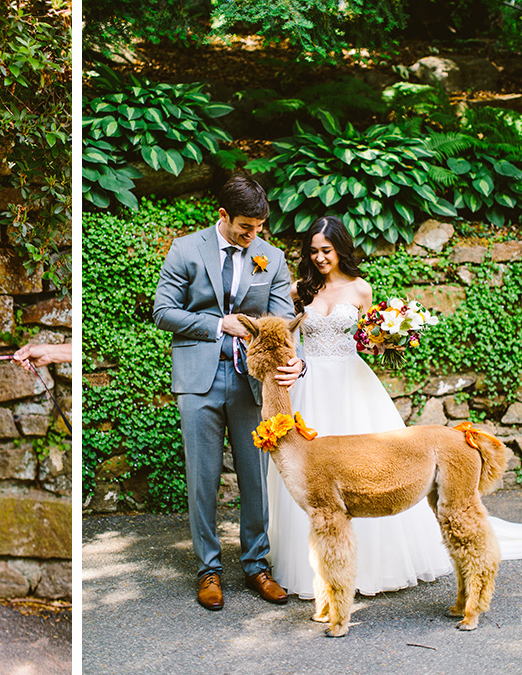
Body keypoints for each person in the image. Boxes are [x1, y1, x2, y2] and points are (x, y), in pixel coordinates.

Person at [268, 215, 522, 600]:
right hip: (310, 382)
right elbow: (291, 341)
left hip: (352, 384)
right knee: (316, 481)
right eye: (314, 251)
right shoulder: (298, 291)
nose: (320, 258)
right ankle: (317, 573)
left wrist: (389, 340)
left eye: (327, 250)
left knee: (369, 474)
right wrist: (298, 364)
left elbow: (366, 339)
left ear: (340, 250)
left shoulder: (360, 289)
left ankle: (373, 567)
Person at [153, 175, 304, 611]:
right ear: (223, 215)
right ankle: (209, 571)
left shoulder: (271, 259)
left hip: (251, 382)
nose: (252, 236)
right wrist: (219, 323)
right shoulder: (185, 249)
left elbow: (284, 320)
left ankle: (257, 565)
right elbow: (163, 312)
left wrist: (296, 360)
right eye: (244, 228)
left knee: (256, 478)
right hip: (197, 379)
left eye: (258, 228)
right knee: (202, 479)